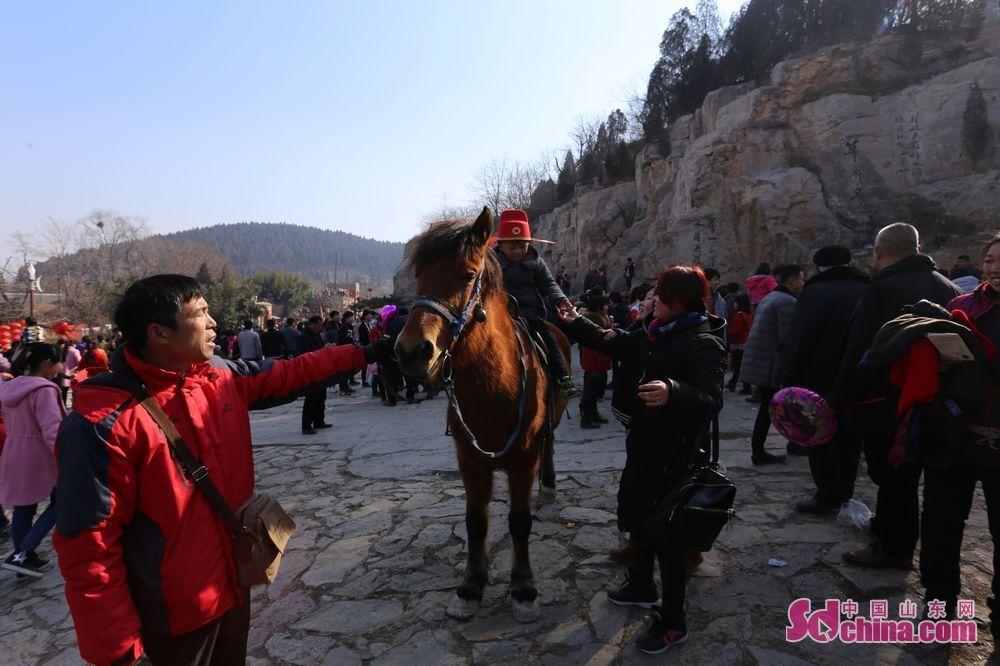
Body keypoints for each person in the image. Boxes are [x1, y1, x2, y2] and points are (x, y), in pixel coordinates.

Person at [52, 275, 373, 665]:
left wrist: (368, 354)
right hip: (173, 617)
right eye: (201, 313)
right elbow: (89, 546)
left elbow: (291, 373)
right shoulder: (100, 425)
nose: (214, 323)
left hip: (234, 584)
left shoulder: (217, 378)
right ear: (158, 333)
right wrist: (117, 651)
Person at [558, 265, 725, 654]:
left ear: (678, 302)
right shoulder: (652, 333)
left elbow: (711, 400)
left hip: (677, 455)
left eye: (657, 297)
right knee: (637, 518)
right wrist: (572, 320)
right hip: (645, 445)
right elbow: (608, 342)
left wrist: (673, 389)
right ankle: (641, 584)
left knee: (668, 537)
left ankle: (672, 621)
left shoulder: (703, 343)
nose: (649, 302)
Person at [829, 223, 962, 569]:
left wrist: (837, 398)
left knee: (892, 474)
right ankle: (888, 529)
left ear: (878, 252)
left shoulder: (882, 289)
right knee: (907, 473)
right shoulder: (946, 285)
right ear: (919, 250)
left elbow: (860, 351)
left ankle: (894, 547)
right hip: (937, 400)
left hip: (886, 401)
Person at [921, 234, 1000, 636]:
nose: (993, 268)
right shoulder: (961, 307)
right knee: (940, 521)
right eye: (989, 260)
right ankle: (938, 602)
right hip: (956, 433)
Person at [780, 246, 870, 514]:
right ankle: (846, 489)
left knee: (818, 437)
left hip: (818, 378)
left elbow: (800, 339)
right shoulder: (868, 288)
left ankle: (828, 494)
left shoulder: (816, 292)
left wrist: (788, 380)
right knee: (850, 439)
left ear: (818, 267)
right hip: (859, 377)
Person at [492, 209, 577, 397]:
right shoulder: (491, 264)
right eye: (512, 247)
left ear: (529, 244)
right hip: (500, 315)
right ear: (501, 245)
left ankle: (563, 380)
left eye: (522, 246)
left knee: (551, 341)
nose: (518, 252)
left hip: (531, 314)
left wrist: (560, 299)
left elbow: (548, 283)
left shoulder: (536, 262)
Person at [0, 343, 65, 577]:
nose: (61, 367)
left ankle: (24, 559)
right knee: (63, 500)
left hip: (14, 451)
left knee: (23, 508)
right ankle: (23, 552)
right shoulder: (44, 390)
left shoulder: (10, 387)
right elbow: (52, 431)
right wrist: (65, 458)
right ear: (47, 363)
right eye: (59, 361)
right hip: (39, 454)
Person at [741, 264, 805, 465]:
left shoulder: (770, 298)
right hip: (773, 365)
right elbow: (787, 338)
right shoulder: (786, 302)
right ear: (792, 280)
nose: (802, 283)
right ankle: (759, 452)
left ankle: (791, 443)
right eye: (801, 279)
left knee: (777, 407)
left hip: (763, 362)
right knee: (769, 410)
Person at [579, 290, 613, 429]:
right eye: (605, 306)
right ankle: (586, 417)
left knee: (593, 388)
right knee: (590, 388)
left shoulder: (599, 320)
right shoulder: (593, 322)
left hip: (597, 358)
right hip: (593, 359)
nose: (607, 308)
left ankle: (593, 413)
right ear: (598, 308)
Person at [301, 315, 332, 433]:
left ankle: (319, 421)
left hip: (320, 369)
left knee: (321, 397)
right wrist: (323, 349)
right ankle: (306, 425)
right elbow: (307, 354)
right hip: (311, 371)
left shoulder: (317, 335)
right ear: (312, 324)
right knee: (311, 399)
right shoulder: (304, 337)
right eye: (319, 325)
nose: (320, 328)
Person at [725, 294, 753, 394]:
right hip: (747, 343)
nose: (734, 304)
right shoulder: (749, 315)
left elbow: (736, 331)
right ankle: (736, 383)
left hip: (738, 344)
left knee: (737, 366)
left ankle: (744, 386)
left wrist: (727, 331)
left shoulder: (738, 316)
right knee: (742, 366)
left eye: (736, 302)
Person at [60, 338, 81, 407]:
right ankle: (75, 405)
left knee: (64, 391)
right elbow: (79, 362)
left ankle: (63, 406)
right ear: (73, 344)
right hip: (73, 373)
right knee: (74, 390)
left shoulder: (63, 351)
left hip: (63, 372)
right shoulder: (75, 351)